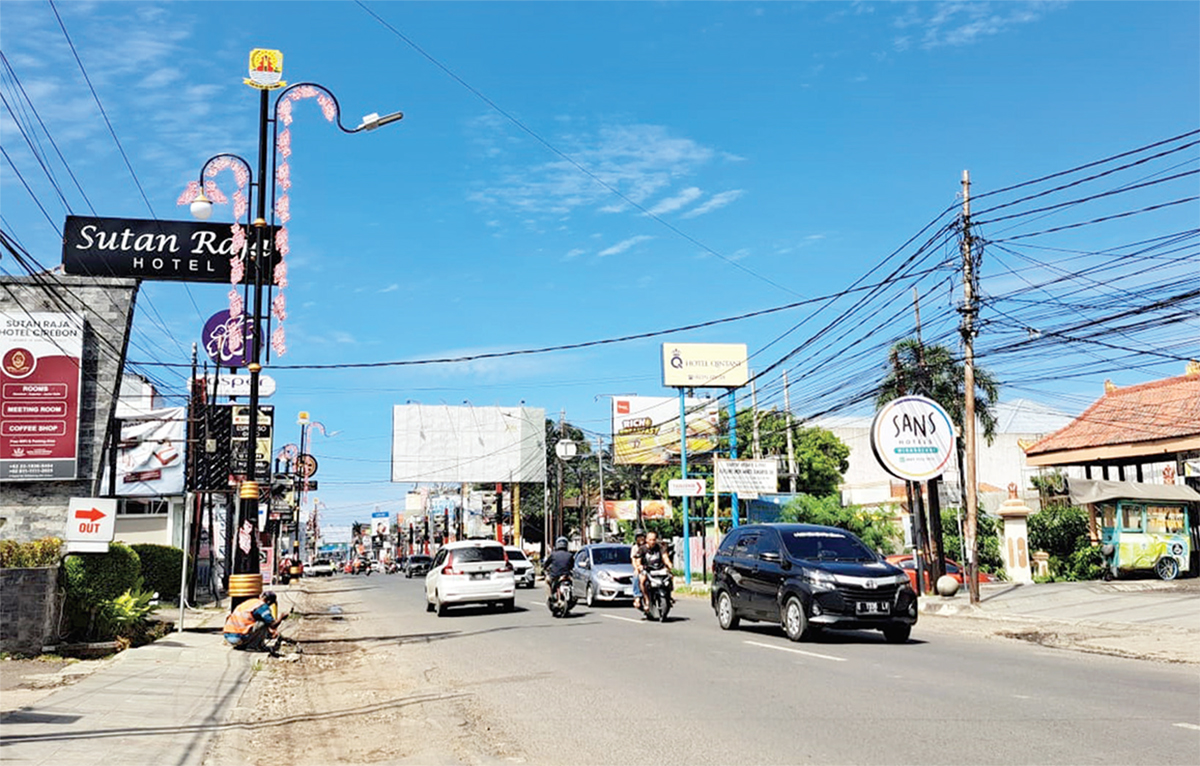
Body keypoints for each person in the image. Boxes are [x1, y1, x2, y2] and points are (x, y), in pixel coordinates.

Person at [637, 531, 673, 607]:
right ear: (646, 540)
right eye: (650, 540)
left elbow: (665, 557)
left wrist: (669, 564)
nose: (652, 542)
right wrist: (640, 566)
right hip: (647, 570)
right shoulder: (642, 549)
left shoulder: (660, 547)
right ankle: (646, 599)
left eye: (654, 539)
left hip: (659, 569)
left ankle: (668, 596)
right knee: (642, 579)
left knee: (670, 577)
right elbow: (638, 561)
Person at [630, 528, 646, 610]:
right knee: (636, 577)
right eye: (638, 537)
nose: (641, 539)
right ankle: (637, 597)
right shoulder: (635, 548)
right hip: (640, 568)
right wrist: (636, 568)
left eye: (642, 537)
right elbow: (633, 560)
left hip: (651, 567)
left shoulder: (649, 546)